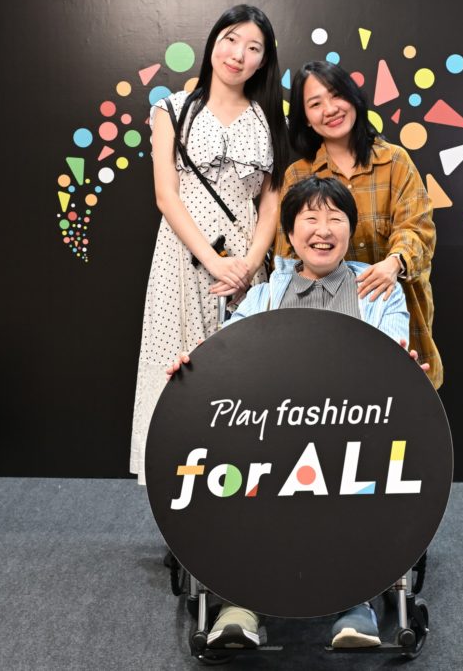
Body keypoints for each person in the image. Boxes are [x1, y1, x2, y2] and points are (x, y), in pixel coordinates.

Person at [169, 176, 425, 650]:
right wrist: (195, 367)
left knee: (358, 473)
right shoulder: (266, 294)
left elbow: (391, 355)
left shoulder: (378, 291)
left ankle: (355, 605)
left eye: (335, 218)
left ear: (350, 228)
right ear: (290, 231)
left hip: (353, 435)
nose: (323, 230)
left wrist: (402, 368)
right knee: (237, 474)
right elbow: (228, 358)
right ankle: (239, 606)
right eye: (310, 218)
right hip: (273, 438)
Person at [130, 5, 289, 484]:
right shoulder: (171, 109)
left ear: (263, 61)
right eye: (231, 39)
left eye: (253, 48)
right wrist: (214, 262)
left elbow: (272, 201)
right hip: (182, 259)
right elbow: (166, 195)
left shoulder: (268, 118)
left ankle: (240, 484)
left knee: (243, 372)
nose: (239, 54)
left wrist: (249, 265)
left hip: (245, 263)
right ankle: (178, 487)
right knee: (178, 366)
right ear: (214, 42)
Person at [276, 61, 442, 388]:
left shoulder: (395, 161)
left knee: (398, 398)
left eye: (336, 95)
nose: (330, 109)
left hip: (396, 314)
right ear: (305, 118)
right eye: (315, 103)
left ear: (353, 97)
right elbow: (286, 257)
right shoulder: (298, 175)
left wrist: (394, 264)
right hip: (322, 330)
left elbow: (418, 227)